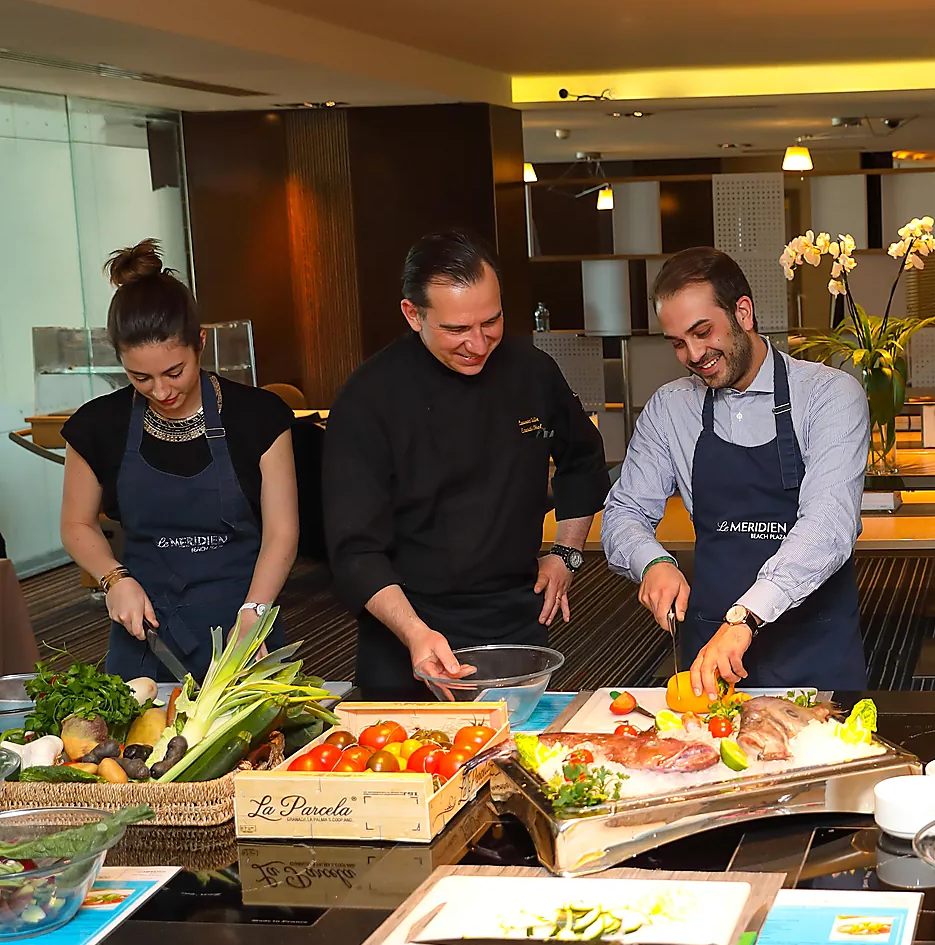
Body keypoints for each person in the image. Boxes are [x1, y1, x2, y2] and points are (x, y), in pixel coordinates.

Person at [323, 230, 609, 699]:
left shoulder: (531, 371)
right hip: (406, 624)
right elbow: (355, 551)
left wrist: (567, 554)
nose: (478, 344)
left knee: (515, 762)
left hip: (515, 615)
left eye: (491, 322)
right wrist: (415, 632)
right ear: (412, 315)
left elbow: (584, 459)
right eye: (456, 330)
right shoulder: (369, 398)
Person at [601, 247, 870, 694]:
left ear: (743, 311)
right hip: (711, 653)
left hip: (812, 647)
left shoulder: (829, 395)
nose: (693, 354)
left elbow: (828, 525)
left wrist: (746, 616)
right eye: (677, 343)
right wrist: (651, 563)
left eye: (703, 332)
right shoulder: (671, 408)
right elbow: (623, 511)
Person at [60, 239, 298, 678]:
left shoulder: (259, 417)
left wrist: (257, 611)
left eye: (175, 372)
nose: (162, 391)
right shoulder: (97, 426)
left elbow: (282, 531)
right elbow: (76, 524)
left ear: (201, 342)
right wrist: (114, 579)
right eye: (140, 378)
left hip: (243, 620)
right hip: (144, 626)